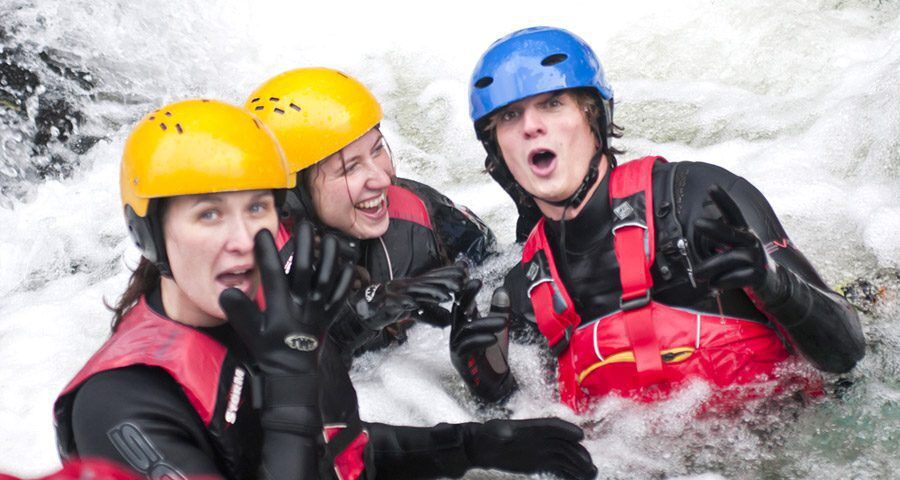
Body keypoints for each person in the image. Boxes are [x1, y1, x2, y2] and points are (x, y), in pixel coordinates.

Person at [52, 99, 598, 479]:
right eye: (209, 214)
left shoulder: (284, 314)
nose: (243, 240)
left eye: (257, 208)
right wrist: (291, 388)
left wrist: (472, 445)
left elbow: (339, 453)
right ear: (149, 233)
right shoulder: (121, 405)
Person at [452, 26, 867, 412]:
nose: (531, 127)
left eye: (552, 103)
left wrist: (774, 283)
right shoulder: (523, 290)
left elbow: (847, 355)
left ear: (593, 117)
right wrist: (492, 390)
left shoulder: (699, 201)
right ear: (497, 148)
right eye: (509, 116)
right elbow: (555, 441)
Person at [245, 67, 497, 359]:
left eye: (377, 149)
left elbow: (501, 269)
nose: (382, 179)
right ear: (293, 197)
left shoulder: (418, 210)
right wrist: (356, 320)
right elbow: (277, 384)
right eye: (350, 168)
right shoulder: (255, 270)